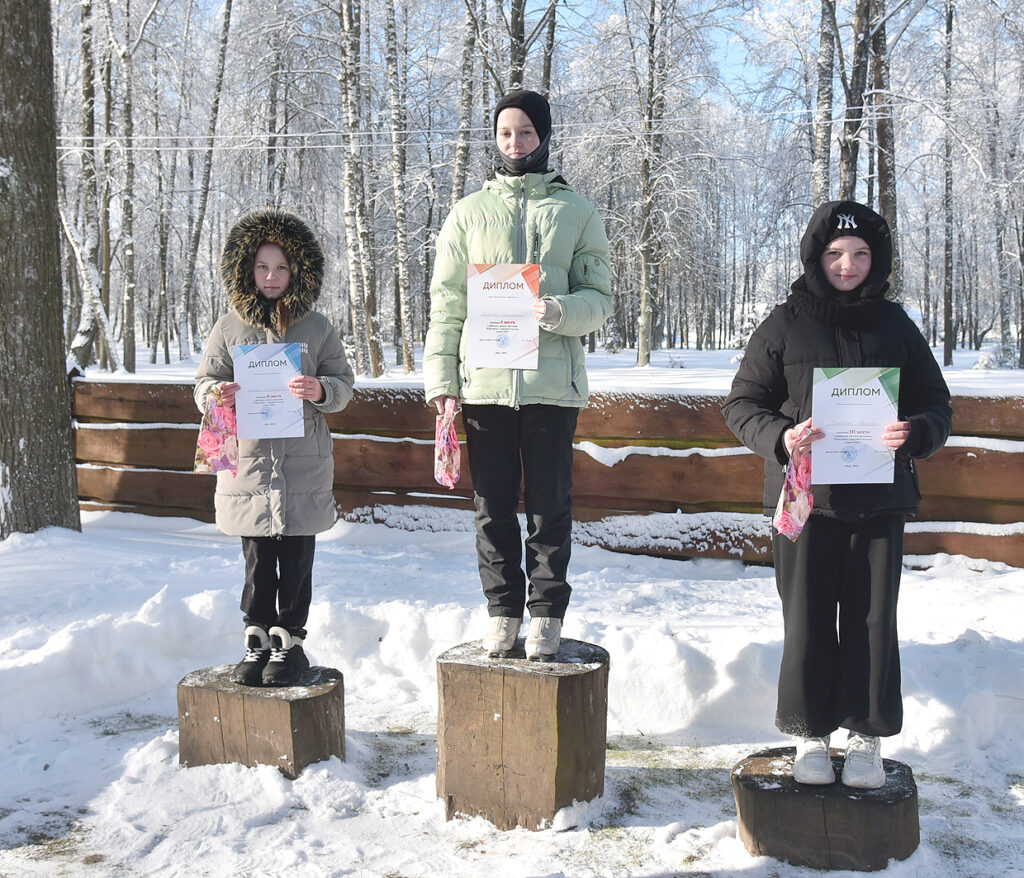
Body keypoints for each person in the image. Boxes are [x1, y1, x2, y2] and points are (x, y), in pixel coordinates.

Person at [722, 200, 952, 789]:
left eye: (860, 254)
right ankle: (810, 734)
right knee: (807, 618)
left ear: (878, 260)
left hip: (880, 501)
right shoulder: (785, 323)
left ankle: (866, 736)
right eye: (834, 253)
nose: (847, 265)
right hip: (806, 500)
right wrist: (782, 436)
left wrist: (915, 431)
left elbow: (935, 403)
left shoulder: (896, 325)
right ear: (815, 257)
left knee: (873, 620)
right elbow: (742, 403)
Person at [423, 89, 613, 661]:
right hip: (485, 386)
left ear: (544, 135)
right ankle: (502, 611)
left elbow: (599, 299)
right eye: (505, 133)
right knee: (493, 507)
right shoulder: (468, 213)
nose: (515, 142)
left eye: (526, 132)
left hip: (551, 387)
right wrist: (443, 383)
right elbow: (447, 304)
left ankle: (547, 613)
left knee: (551, 506)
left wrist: (556, 311)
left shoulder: (577, 211)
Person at [195, 208, 354, 686]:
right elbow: (204, 383)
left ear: (298, 271)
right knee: (258, 557)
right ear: (246, 269)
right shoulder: (228, 328)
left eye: (281, 267)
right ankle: (257, 637)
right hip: (249, 466)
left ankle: (291, 642)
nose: (271, 276)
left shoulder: (317, 327)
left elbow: (344, 384)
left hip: (303, 466)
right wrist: (216, 394)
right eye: (262, 267)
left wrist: (321, 390)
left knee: (298, 556)